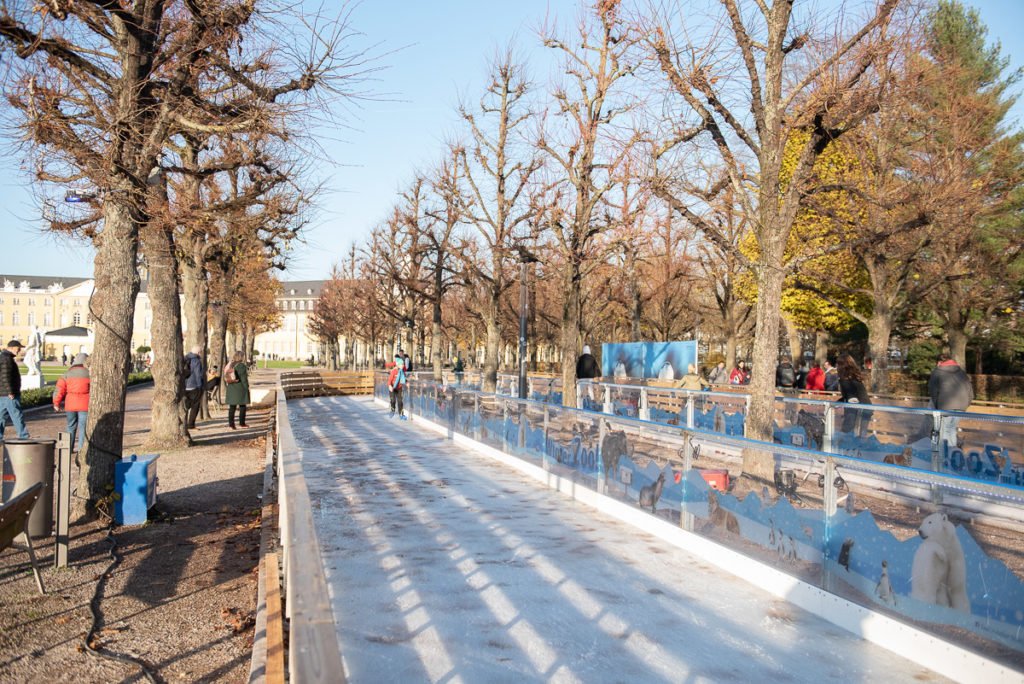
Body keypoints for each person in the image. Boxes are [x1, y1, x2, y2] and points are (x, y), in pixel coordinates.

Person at [928, 352, 974, 449]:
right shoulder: (961, 372)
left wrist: (937, 406)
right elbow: (970, 391)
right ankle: (953, 454)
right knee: (952, 429)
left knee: (944, 430)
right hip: (961, 406)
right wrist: (965, 404)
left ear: (939, 362)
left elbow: (933, 391)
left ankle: (945, 456)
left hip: (945, 405)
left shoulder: (937, 372)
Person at [53, 352, 90, 450]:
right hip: (85, 404)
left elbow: (59, 389)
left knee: (70, 426)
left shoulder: (66, 374)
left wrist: (56, 403)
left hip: (70, 404)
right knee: (83, 428)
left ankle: (68, 448)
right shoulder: (89, 373)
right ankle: (81, 449)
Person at [837, 353, 872, 436]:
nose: (836, 366)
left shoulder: (845, 379)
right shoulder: (854, 376)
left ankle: (847, 446)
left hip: (858, 408)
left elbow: (852, 397)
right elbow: (851, 394)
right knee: (861, 435)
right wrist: (837, 403)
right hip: (866, 407)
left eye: (838, 364)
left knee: (847, 432)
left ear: (842, 365)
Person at [0, 340, 29, 440]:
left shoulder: (4, 357)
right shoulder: (7, 359)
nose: (19, 350)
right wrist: (10, 392)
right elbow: (5, 376)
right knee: (16, 415)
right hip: (9, 394)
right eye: (18, 348)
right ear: (12, 348)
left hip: (2, 393)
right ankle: (23, 436)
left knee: (1, 417)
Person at [224, 350, 250, 429]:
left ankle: (231, 425)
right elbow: (244, 379)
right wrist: (247, 388)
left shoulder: (231, 364)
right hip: (240, 388)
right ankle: (242, 423)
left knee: (232, 408)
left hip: (231, 387)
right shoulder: (241, 366)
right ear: (241, 357)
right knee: (242, 406)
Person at [183, 344, 204, 429]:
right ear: (199, 352)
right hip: (194, 386)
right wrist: (200, 386)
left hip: (184, 385)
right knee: (195, 405)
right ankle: (191, 424)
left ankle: (184, 423)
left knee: (186, 406)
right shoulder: (196, 360)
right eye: (201, 352)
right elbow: (198, 375)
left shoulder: (185, 358)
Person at [388, 352, 407, 419]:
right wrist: (390, 386)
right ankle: (392, 410)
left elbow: (404, 379)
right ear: (398, 365)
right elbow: (389, 380)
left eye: (403, 364)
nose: (403, 365)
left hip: (399, 388)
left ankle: (401, 414)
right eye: (401, 364)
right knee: (393, 400)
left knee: (400, 401)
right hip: (392, 388)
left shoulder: (402, 372)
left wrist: (407, 383)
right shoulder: (394, 371)